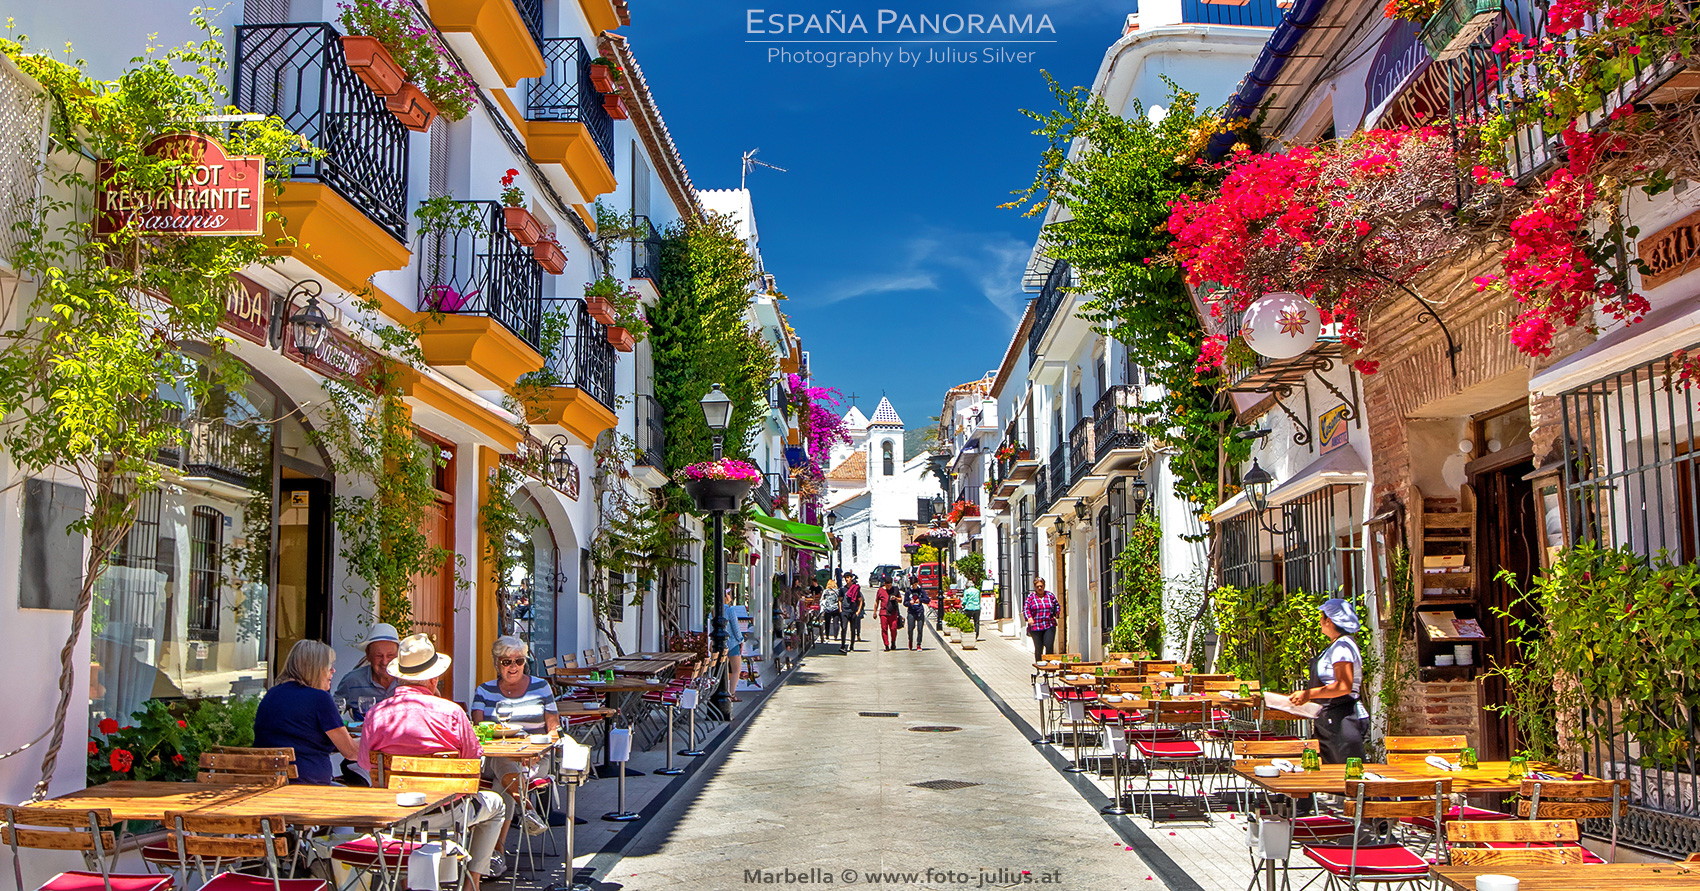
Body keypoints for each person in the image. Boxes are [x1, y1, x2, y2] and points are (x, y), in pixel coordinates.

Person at [359, 634, 507, 888]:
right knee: (497, 805)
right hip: (447, 813)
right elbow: (473, 763)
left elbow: (364, 763)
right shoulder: (451, 712)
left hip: (395, 814)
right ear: (433, 677)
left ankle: (404, 881)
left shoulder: (377, 713)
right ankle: (472, 882)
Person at [471, 636, 558, 843]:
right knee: (504, 761)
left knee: (504, 782)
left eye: (519, 661)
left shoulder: (542, 687)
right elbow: (478, 733)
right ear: (496, 663)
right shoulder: (484, 691)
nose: (513, 666)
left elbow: (554, 731)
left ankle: (497, 849)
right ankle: (527, 807)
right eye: (506, 661)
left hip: (535, 759)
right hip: (494, 759)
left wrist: (537, 753)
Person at [253, 639, 362, 785]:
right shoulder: (319, 698)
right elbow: (351, 752)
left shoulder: (272, 694)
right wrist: (375, 738)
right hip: (308, 787)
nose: (333, 671)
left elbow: (299, 738)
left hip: (270, 784)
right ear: (315, 668)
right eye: (329, 666)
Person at [1288, 598, 1369, 763]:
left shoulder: (1342, 648)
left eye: (1321, 617)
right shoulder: (1335, 646)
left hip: (1344, 719)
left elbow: (1344, 686)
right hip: (1331, 718)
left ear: (1329, 621)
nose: (1319, 621)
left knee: (1346, 775)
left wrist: (1309, 694)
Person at [335, 622, 400, 720]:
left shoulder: (409, 681)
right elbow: (332, 712)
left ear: (398, 656)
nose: (384, 661)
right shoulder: (352, 681)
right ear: (368, 655)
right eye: (378, 655)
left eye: (390, 655)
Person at [1023, 578, 1059, 662]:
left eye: (1041, 586)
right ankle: (1039, 666)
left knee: (1049, 645)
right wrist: (1029, 617)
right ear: (1035, 587)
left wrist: (1057, 613)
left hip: (1049, 624)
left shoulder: (1050, 595)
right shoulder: (1031, 597)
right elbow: (1026, 609)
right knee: (1039, 647)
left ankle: (1050, 668)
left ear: (1044, 586)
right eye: (1037, 586)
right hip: (1036, 626)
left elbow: (1056, 605)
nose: (1040, 588)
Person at [724, 589, 750, 700]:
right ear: (726, 596)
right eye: (728, 594)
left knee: (723, 670)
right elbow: (735, 628)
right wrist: (741, 641)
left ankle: (724, 692)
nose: (730, 596)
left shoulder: (713, 611)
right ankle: (731, 694)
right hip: (732, 643)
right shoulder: (730, 610)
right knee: (736, 670)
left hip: (720, 644)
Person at [840, 573, 863, 652]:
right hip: (844, 611)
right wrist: (840, 609)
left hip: (853, 611)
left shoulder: (855, 589)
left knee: (853, 629)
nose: (847, 579)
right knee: (844, 628)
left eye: (848, 577)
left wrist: (858, 611)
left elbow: (860, 600)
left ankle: (852, 645)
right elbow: (840, 600)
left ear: (851, 578)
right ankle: (843, 645)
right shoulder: (842, 589)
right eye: (845, 578)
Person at [876, 582, 903, 651]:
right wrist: (874, 612)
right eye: (887, 585)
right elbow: (877, 601)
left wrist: (896, 598)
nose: (889, 587)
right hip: (883, 613)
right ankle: (886, 645)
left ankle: (893, 642)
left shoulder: (895, 590)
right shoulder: (880, 590)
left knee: (893, 628)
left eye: (890, 585)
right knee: (884, 629)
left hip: (893, 613)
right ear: (884, 584)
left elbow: (901, 600)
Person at [905, 585, 929, 650]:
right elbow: (905, 602)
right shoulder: (908, 591)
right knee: (910, 628)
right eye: (913, 585)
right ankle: (910, 640)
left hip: (919, 611)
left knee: (920, 628)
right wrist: (909, 603)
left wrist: (920, 600)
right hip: (911, 612)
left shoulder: (921, 591)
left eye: (915, 585)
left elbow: (927, 600)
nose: (914, 587)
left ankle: (919, 644)